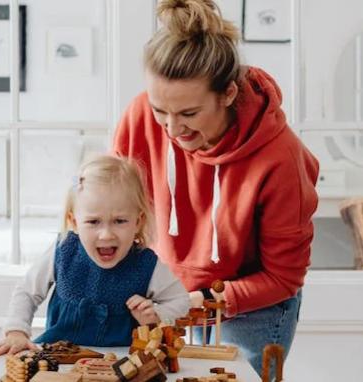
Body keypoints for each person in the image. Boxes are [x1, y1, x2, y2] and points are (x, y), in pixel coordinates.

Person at [113, 0, 319, 377]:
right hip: (165, 294)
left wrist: (199, 301)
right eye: (161, 111)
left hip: (253, 308)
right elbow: (119, 210)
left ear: (227, 94)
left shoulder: (282, 158)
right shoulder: (140, 117)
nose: (173, 131)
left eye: (189, 114)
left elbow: (282, 277)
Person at [0, 155, 190, 356]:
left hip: (122, 363)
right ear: (74, 222)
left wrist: (155, 315)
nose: (106, 234)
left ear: (138, 221)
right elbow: (27, 292)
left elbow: (181, 302)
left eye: (120, 221)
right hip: (58, 359)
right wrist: (17, 331)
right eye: (93, 222)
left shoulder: (146, 263)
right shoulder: (64, 251)